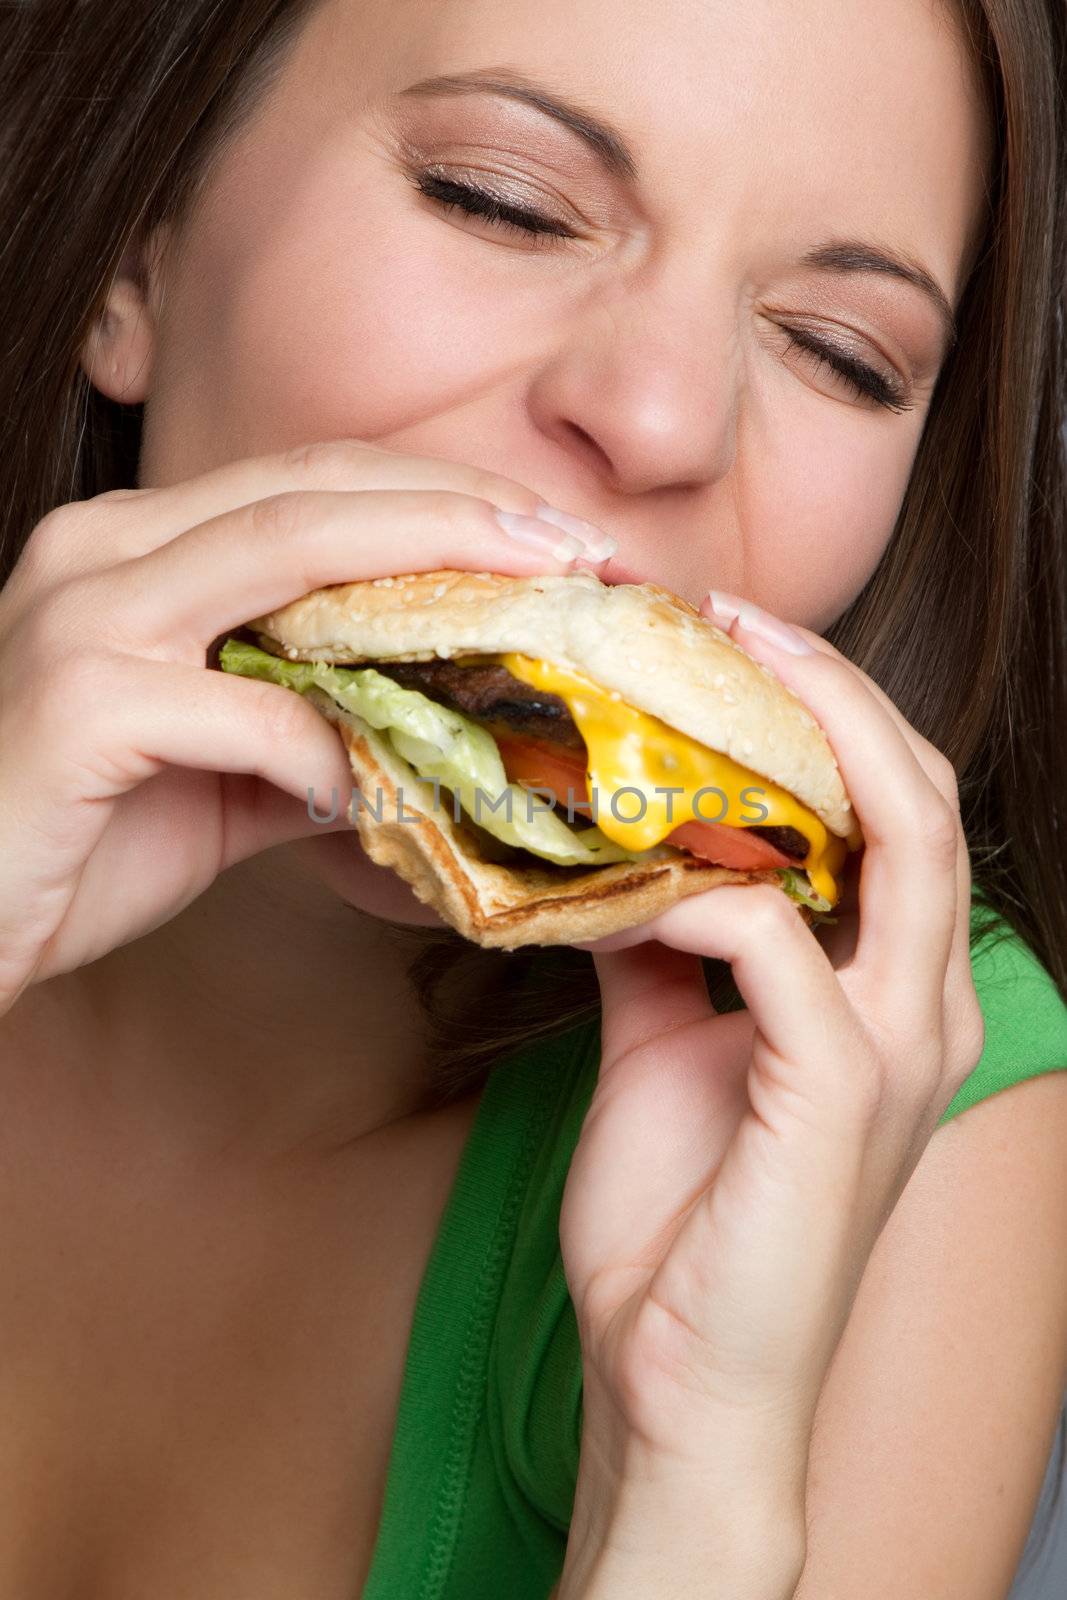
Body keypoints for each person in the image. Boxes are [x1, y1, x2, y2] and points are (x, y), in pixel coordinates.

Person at [0, 0, 1064, 1595]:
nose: (659, 421)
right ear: (134, 256)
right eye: (504, 200)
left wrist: (694, 1494)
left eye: (840, 352)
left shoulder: (888, 1093)